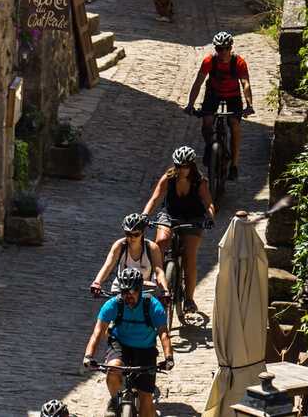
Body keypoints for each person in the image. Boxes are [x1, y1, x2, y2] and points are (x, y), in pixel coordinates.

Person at [83, 268, 174, 417]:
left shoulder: (153, 306)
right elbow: (98, 332)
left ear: (139, 290)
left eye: (131, 292)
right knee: (112, 369)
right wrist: (88, 355)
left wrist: (168, 357)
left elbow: (164, 334)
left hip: (145, 349)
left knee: (146, 402)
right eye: (124, 292)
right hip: (121, 344)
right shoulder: (113, 304)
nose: (127, 296)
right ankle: (115, 399)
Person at [142, 146, 215, 314]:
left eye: (185, 166)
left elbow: (209, 203)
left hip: (193, 218)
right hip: (170, 214)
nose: (182, 170)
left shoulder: (200, 181)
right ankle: (155, 276)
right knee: (160, 242)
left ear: (192, 166)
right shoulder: (168, 178)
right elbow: (155, 199)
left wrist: (210, 217)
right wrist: (145, 215)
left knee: (190, 257)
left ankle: (189, 299)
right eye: (179, 166)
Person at [184, 31, 254, 180]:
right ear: (215, 49)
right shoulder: (209, 61)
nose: (223, 52)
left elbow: (245, 84)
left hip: (233, 96)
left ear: (231, 48)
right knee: (207, 122)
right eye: (219, 49)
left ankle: (234, 165)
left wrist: (249, 104)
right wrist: (190, 104)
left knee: (234, 124)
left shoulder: (239, 62)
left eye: (226, 48)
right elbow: (198, 82)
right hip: (213, 94)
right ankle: (211, 147)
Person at [89, 213, 168, 296]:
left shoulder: (152, 248)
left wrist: (165, 291)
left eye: (136, 234)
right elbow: (108, 266)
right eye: (128, 234)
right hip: (122, 287)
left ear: (142, 232)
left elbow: (159, 272)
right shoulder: (119, 245)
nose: (132, 238)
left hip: (145, 289)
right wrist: (97, 282)